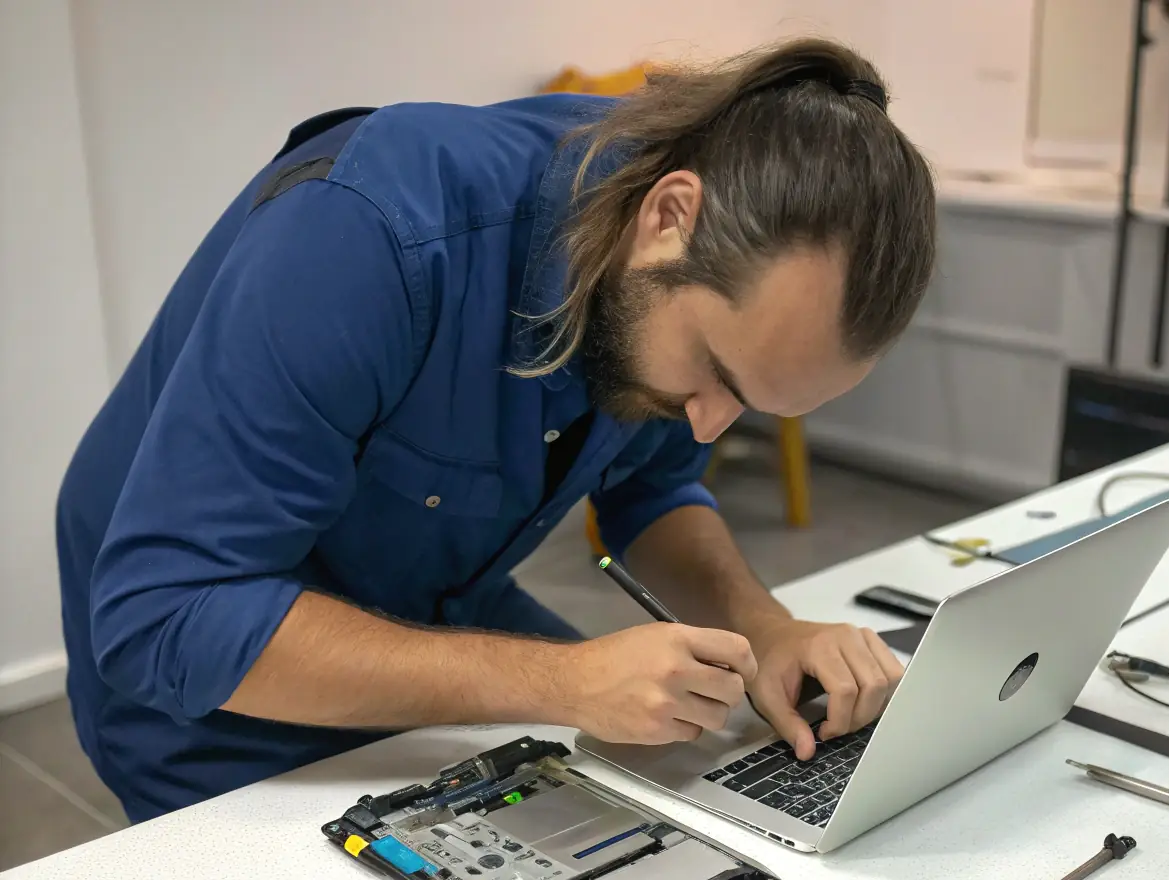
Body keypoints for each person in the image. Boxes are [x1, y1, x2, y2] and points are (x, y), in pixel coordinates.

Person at [56, 38, 937, 822]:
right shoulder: (367, 231)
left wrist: (766, 631)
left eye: (753, 403)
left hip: (432, 603)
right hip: (211, 668)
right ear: (669, 218)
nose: (709, 422)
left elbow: (652, 489)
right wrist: (559, 682)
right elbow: (165, 617)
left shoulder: (671, 274)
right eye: (715, 370)